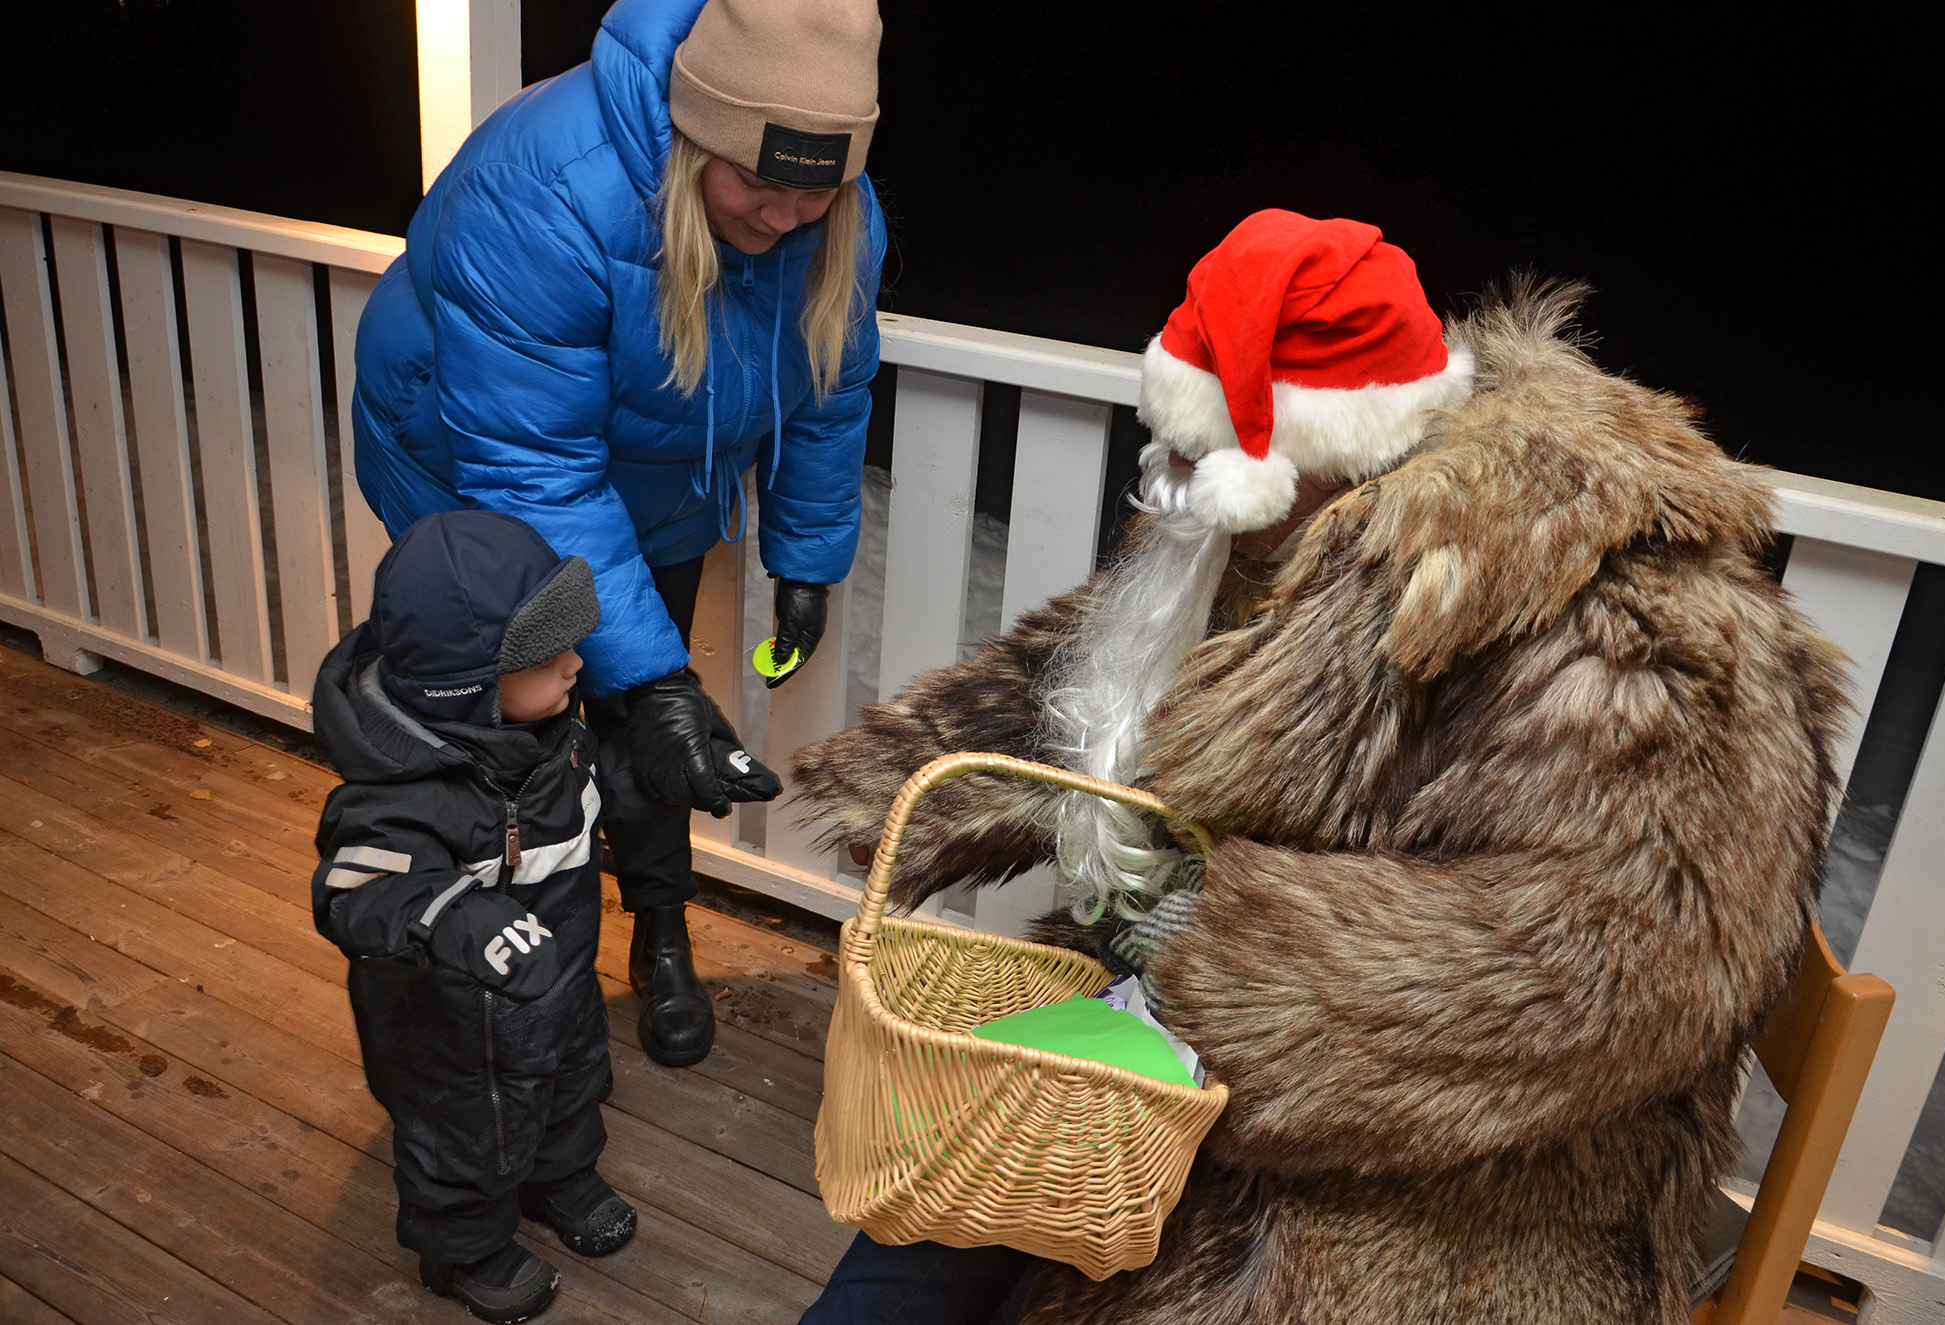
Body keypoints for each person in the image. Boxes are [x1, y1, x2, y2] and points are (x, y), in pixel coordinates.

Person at [791, 211, 1848, 1323]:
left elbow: (1618, 967)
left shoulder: (1619, 621)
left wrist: (1212, 972)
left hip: (1457, 1178)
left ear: (1336, 447)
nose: (1176, 480)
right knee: (912, 1240)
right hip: (1177, 1056)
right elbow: (1108, 667)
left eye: (1208, 456)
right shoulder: (1277, 512)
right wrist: (916, 779)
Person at [349, 0, 887, 1068]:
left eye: (813, 190)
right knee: (516, 735)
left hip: (654, 475)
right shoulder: (545, 184)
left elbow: (828, 386)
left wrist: (805, 557)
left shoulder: (835, 211)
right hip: (473, 479)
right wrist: (654, 678)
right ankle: (494, 956)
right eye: (757, 184)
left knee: (647, 741)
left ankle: (662, 935)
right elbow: (533, 464)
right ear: (694, 136)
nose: (785, 218)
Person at [311, 510, 635, 1323]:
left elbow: (598, 798)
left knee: (566, 1081)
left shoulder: (550, 737)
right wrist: (460, 915)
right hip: (448, 1024)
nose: (575, 663)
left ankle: (559, 1176)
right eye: (546, 655)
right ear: (470, 681)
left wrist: (667, 765)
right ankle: (463, 1248)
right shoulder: (398, 794)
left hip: (553, 978)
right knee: (463, 1131)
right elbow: (357, 887)